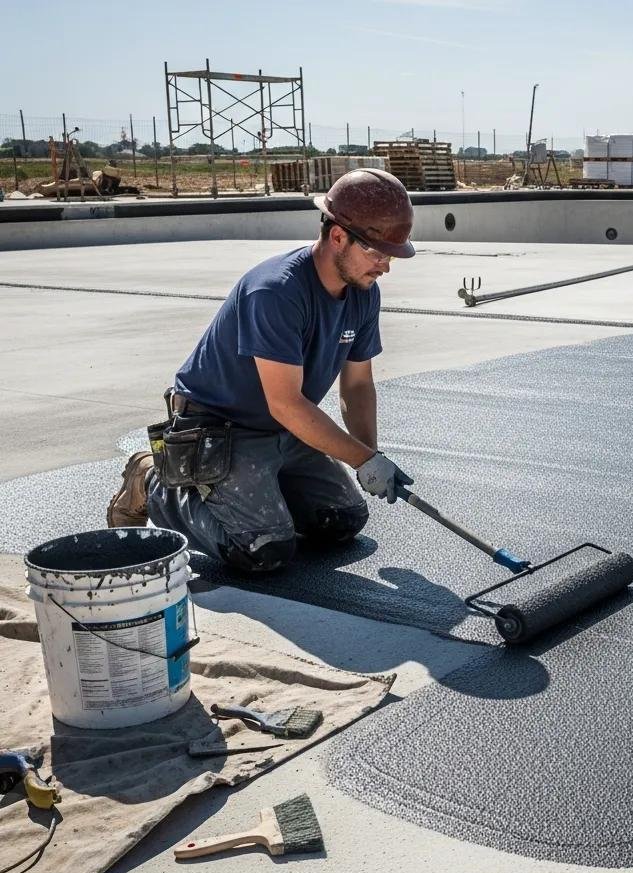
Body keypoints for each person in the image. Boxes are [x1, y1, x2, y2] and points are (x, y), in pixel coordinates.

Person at [107, 168, 416, 573]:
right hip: (218, 428)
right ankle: (153, 480)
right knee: (260, 550)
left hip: (280, 431)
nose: (385, 267)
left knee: (341, 521)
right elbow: (286, 403)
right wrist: (360, 459)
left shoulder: (362, 293)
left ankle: (254, 496)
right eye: (377, 253)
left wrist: (369, 456)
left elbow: (357, 385)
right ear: (338, 236)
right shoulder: (276, 291)